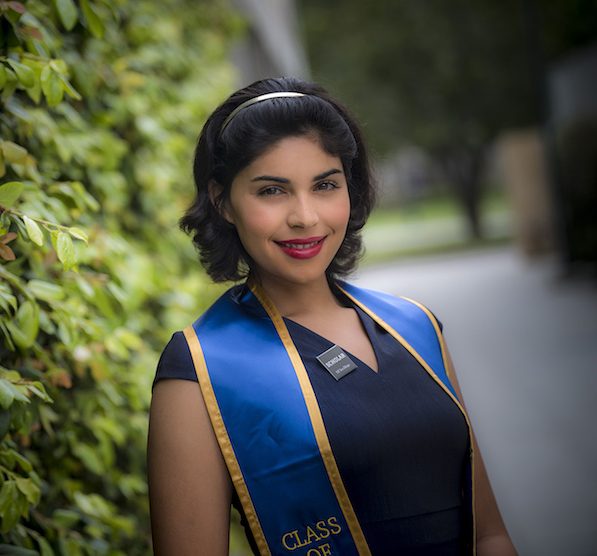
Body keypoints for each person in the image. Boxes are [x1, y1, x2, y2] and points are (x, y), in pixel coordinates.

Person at [147, 77, 517, 556]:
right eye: (272, 191)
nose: (305, 216)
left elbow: (489, 533)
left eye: (325, 185)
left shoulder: (415, 327)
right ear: (222, 202)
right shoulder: (199, 370)